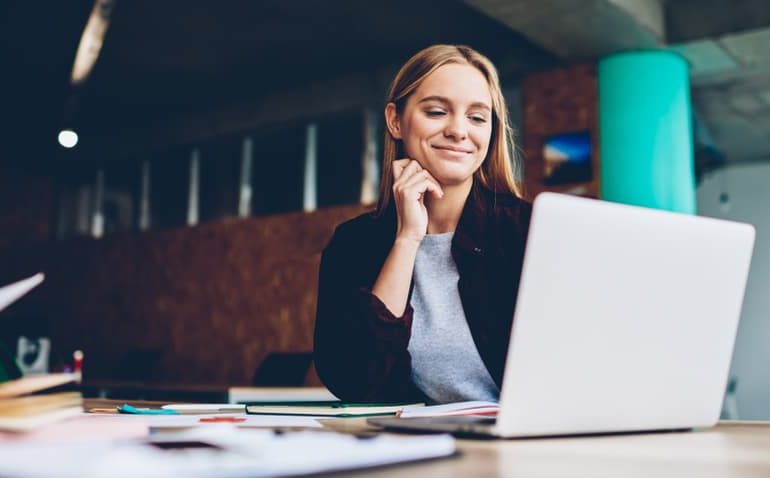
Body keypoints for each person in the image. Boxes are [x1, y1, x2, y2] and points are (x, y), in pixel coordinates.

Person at [314, 44, 532, 404]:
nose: (459, 131)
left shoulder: (527, 231)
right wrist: (407, 238)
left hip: (530, 448)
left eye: (477, 118)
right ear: (395, 120)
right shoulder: (355, 242)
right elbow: (355, 380)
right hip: (419, 447)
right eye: (436, 111)